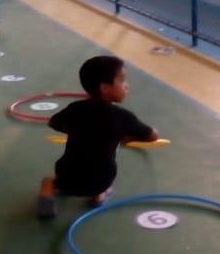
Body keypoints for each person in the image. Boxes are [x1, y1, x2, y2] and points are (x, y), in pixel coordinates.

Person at [37, 56, 158, 218]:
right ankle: (98, 195)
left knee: (49, 180)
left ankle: (46, 196)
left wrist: (78, 131)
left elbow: (54, 123)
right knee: (100, 168)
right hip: (101, 181)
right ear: (105, 88)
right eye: (122, 81)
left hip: (67, 179)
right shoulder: (124, 117)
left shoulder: (75, 108)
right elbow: (152, 137)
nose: (126, 86)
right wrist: (126, 139)